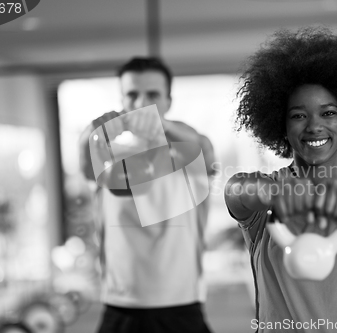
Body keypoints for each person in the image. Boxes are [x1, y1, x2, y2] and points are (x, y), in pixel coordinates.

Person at [224, 27, 337, 332]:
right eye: (298, 116)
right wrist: (276, 194)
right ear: (281, 126)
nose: (314, 126)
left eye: (328, 113)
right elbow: (236, 190)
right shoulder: (264, 204)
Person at [79, 57, 216, 333]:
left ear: (168, 101)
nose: (141, 102)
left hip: (181, 305)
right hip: (121, 306)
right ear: (122, 100)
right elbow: (84, 159)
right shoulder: (109, 157)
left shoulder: (189, 156)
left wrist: (161, 125)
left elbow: (206, 149)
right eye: (132, 95)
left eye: (152, 95)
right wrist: (93, 130)